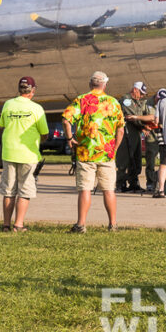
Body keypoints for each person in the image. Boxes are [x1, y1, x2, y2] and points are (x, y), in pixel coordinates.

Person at [62, 71, 125, 233]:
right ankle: (113, 224)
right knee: (108, 189)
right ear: (105, 85)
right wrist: (115, 148)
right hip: (107, 153)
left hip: (86, 152)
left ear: (90, 84)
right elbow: (120, 131)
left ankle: (81, 224)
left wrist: (70, 138)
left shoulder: (82, 100)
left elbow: (66, 120)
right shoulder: (113, 103)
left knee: (85, 189)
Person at [0, 76, 49, 232]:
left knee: (8, 191)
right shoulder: (36, 108)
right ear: (32, 91)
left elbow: (2, 125)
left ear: (19, 89)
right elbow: (44, 132)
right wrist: (40, 139)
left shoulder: (8, 104)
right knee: (25, 190)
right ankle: (18, 225)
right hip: (28, 154)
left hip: (9, 153)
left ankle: (6, 225)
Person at [117, 81, 154, 193]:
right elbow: (131, 116)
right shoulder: (126, 100)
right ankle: (120, 183)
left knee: (136, 160)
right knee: (124, 160)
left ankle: (134, 183)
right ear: (135, 90)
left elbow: (138, 117)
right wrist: (144, 126)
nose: (142, 96)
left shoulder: (137, 102)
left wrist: (142, 126)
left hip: (135, 134)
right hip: (126, 133)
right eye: (141, 93)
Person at [144, 89, 166, 192]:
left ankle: (163, 182)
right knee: (151, 160)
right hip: (151, 135)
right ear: (156, 96)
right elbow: (141, 117)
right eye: (158, 98)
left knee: (165, 160)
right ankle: (150, 182)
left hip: (163, 134)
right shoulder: (146, 103)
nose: (159, 101)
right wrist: (143, 127)